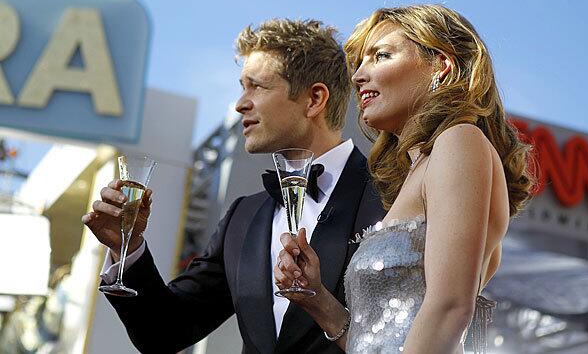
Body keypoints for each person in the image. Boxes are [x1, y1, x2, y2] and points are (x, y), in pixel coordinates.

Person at [82, 18, 386, 354]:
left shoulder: (393, 194)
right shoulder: (243, 217)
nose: (240, 103)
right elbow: (164, 331)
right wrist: (127, 248)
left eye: (256, 86)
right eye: (242, 86)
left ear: (314, 99)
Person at [274, 5, 534, 353]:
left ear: (441, 65)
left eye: (381, 56)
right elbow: (379, 340)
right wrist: (318, 299)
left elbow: (450, 307)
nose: (359, 76)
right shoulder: (425, 166)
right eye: (359, 64)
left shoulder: (459, 140)